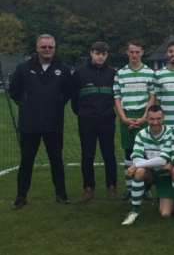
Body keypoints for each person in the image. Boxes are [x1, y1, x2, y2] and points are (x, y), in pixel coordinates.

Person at [9, 34, 73, 209]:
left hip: (54, 123)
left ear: (54, 48)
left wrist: (59, 103)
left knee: (56, 160)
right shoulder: (23, 68)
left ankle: (61, 195)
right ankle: (21, 197)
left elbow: (69, 91)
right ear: (37, 48)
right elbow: (14, 91)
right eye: (43, 47)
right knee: (26, 161)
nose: (47, 50)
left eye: (50, 47)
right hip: (30, 125)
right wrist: (26, 105)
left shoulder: (63, 68)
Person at [71, 41, 118, 202]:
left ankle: (112, 186)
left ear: (107, 55)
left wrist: (107, 112)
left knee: (109, 154)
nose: (100, 56)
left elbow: (116, 98)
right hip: (87, 121)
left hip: (107, 120)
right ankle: (88, 188)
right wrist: (84, 114)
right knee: (87, 155)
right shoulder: (79, 73)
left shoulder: (113, 73)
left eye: (103, 54)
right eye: (97, 53)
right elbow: (74, 99)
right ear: (91, 53)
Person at [113, 40, 156, 199]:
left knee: (145, 153)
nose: (134, 55)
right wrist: (124, 118)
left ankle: (145, 188)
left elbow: (152, 96)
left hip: (144, 116)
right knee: (129, 152)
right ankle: (130, 188)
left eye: (137, 52)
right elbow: (117, 97)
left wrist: (145, 117)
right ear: (127, 53)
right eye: (131, 52)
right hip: (127, 115)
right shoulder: (120, 73)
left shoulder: (150, 73)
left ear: (142, 53)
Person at [121, 105, 174, 225]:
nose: (155, 122)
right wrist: (138, 165)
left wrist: (137, 165)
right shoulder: (141, 134)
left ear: (163, 118)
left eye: (158, 119)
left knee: (165, 214)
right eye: (151, 119)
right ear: (147, 119)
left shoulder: (171, 133)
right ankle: (134, 211)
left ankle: (164, 196)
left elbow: (163, 160)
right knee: (139, 172)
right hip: (150, 173)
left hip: (165, 175)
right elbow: (136, 157)